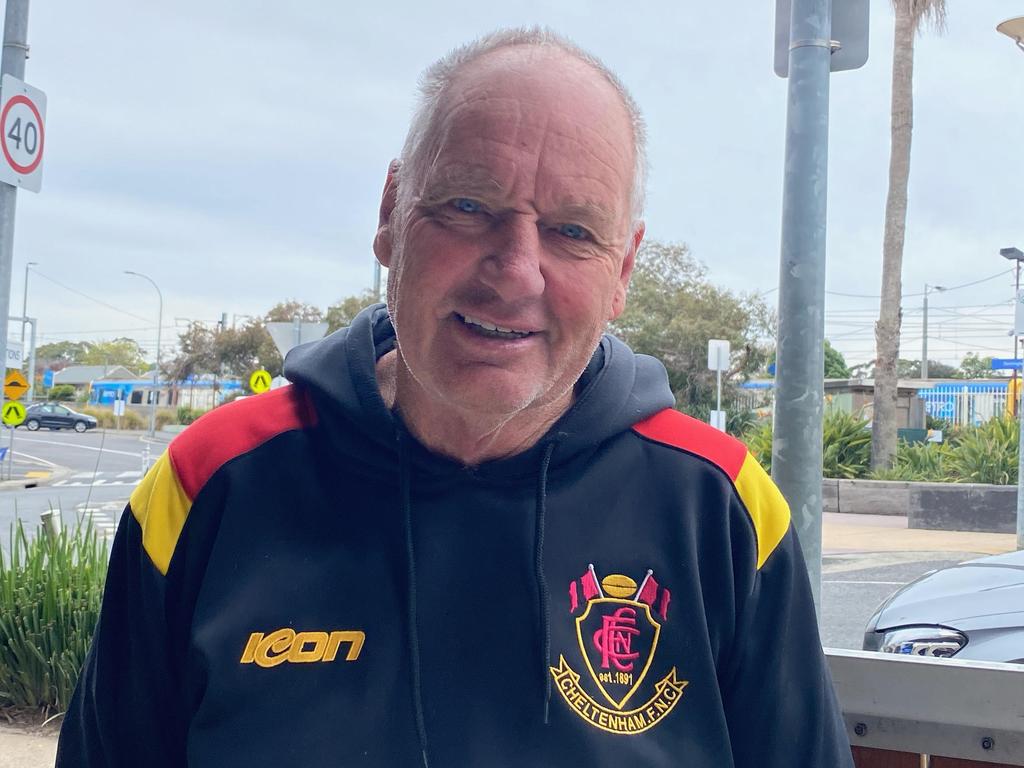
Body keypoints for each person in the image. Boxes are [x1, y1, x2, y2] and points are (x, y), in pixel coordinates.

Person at [57, 28, 853, 767]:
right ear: (390, 215)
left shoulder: (721, 507)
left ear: (624, 270)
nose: (515, 271)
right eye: (469, 207)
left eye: (573, 231)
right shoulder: (211, 484)